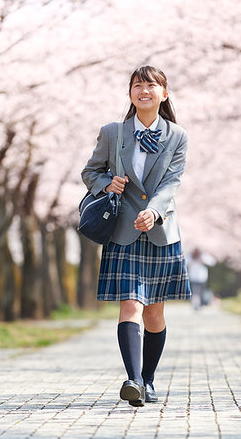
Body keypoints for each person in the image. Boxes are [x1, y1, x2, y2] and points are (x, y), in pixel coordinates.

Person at [81, 65, 191, 407]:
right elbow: (90, 172)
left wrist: (154, 211)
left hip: (159, 230)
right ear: (130, 94)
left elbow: (172, 183)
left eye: (151, 85)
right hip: (123, 230)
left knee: (155, 313)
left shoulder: (177, 135)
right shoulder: (113, 132)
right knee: (130, 305)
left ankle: (148, 379)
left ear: (164, 93)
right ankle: (133, 380)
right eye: (137, 85)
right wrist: (106, 184)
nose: (144, 90)